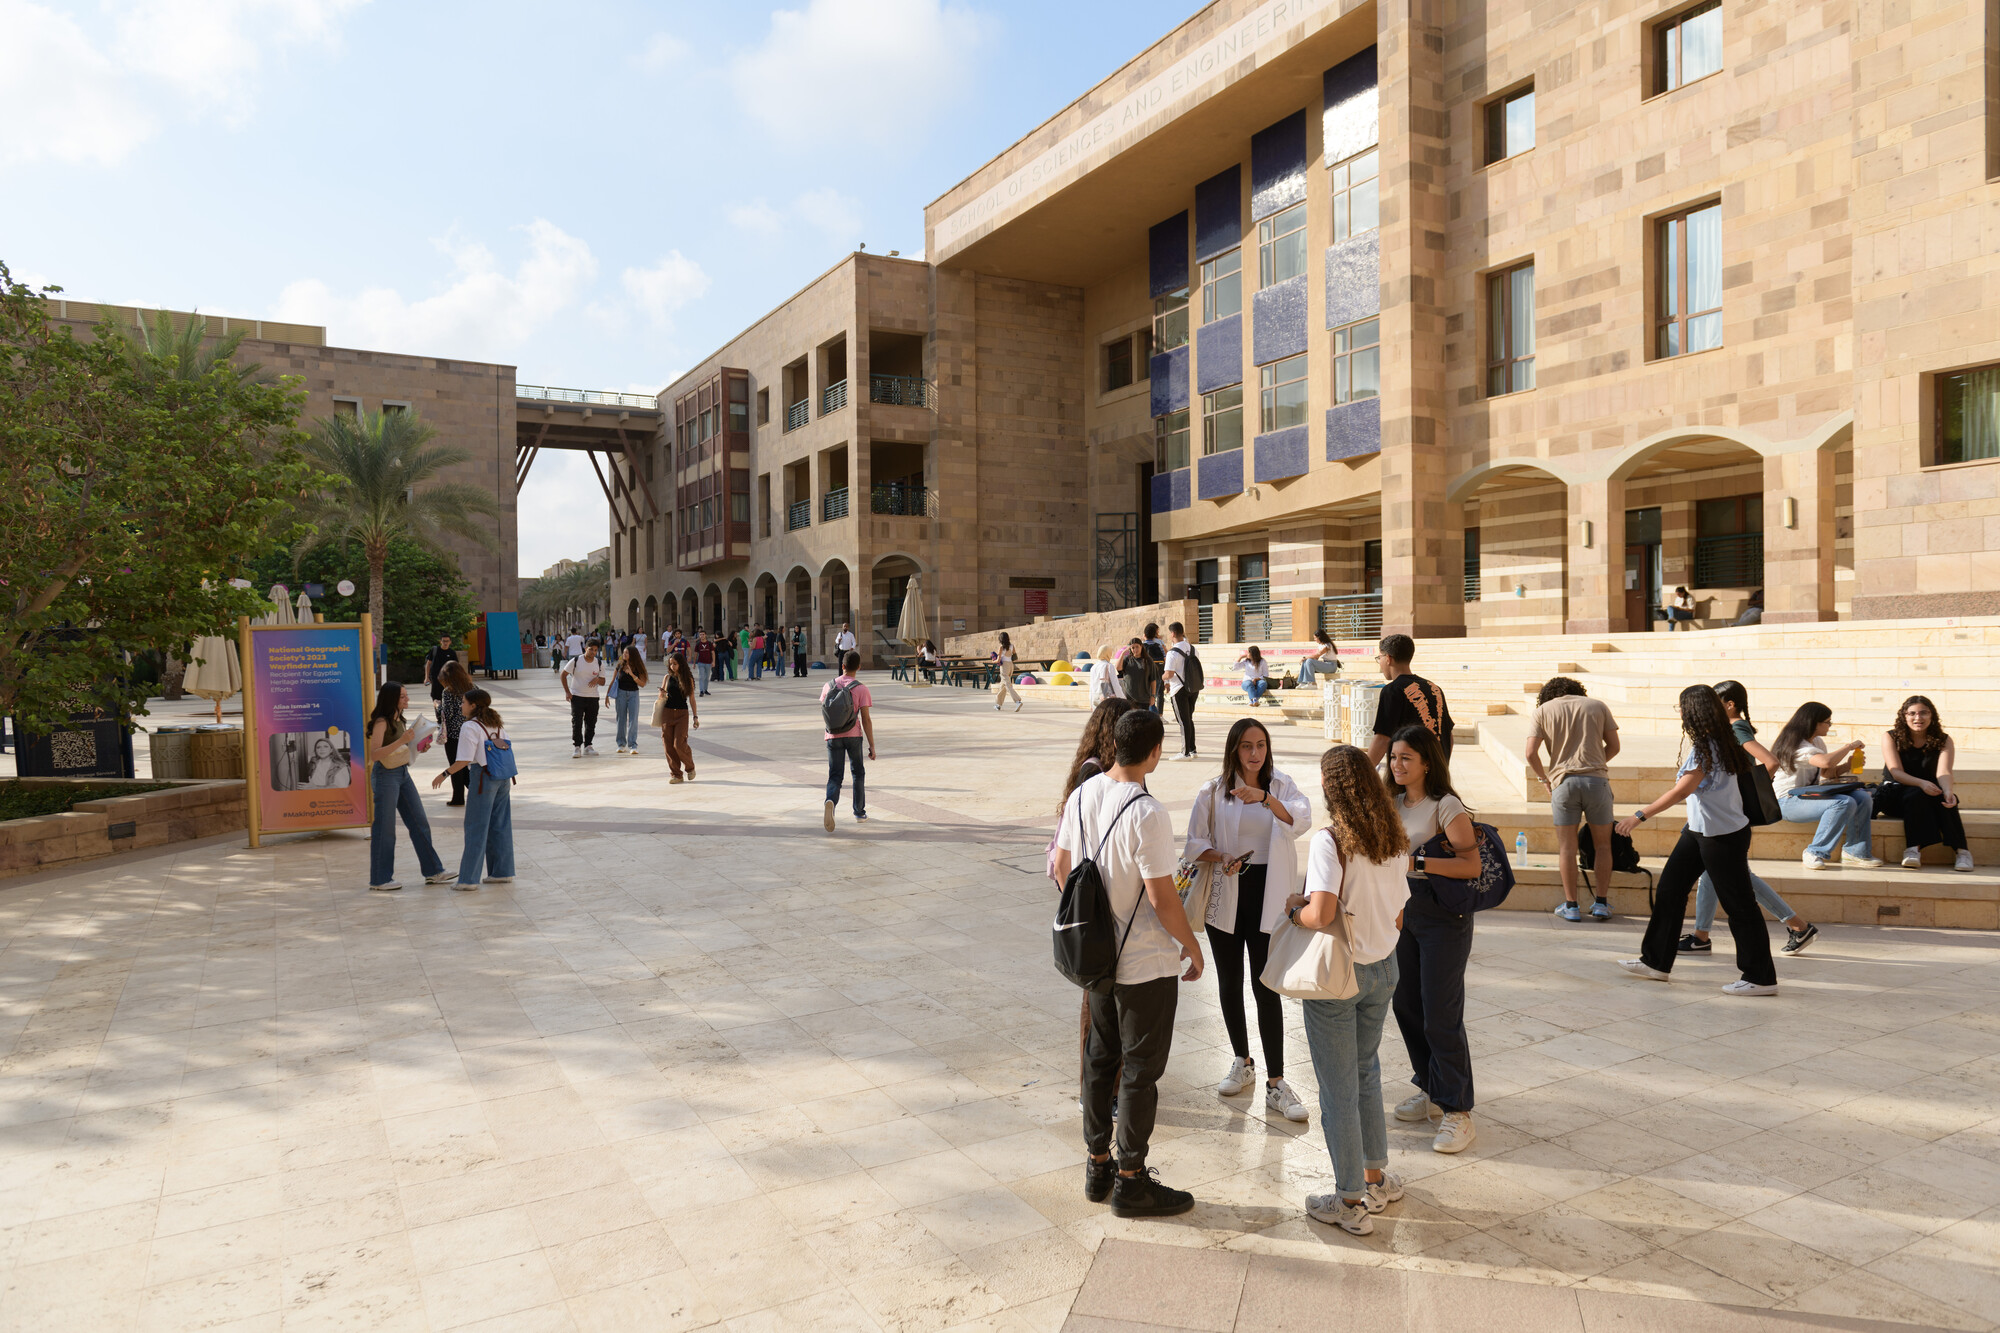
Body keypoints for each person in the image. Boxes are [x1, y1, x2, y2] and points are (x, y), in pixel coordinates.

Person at [1054, 709, 1205, 1219]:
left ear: (1114, 744)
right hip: (1144, 964)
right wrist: (1191, 944)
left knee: (1100, 1061)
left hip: (1096, 958)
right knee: (1140, 1073)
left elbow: (1061, 866)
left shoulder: (1082, 793)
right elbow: (1163, 899)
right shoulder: (1148, 811)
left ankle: (1097, 1165)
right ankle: (1131, 1180)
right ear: (1156, 752)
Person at [1284, 744, 1410, 1235]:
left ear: (1330, 787)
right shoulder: (1393, 839)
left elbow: (1320, 914)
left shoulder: (1332, 841)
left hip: (1340, 977)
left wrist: (1295, 911)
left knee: (1338, 1090)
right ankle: (1377, 1178)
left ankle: (1349, 1200)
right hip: (1383, 968)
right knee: (1367, 1073)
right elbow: (1399, 914)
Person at [1183, 718, 1312, 1123]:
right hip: (1227, 892)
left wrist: (1265, 799)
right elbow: (1193, 842)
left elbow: (1302, 820)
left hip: (1267, 897)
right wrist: (1220, 856)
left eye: (1260, 745)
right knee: (1228, 983)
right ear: (1233, 750)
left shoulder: (1282, 786)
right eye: (1245, 746)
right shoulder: (1213, 791)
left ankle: (1276, 1081)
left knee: (1265, 985)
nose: (1254, 753)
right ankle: (1242, 1060)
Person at [1615, 686, 1778, 996]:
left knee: (1740, 905)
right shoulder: (1723, 739)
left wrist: (1639, 816)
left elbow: (1681, 791)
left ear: (1693, 712)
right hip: (1701, 830)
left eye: (1681, 708)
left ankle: (1761, 977)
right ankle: (1655, 962)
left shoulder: (1709, 746)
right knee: (1670, 890)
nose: (1678, 713)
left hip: (1721, 835)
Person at [1385, 724, 1482, 1155]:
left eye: (1406, 757)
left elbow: (1470, 865)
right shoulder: (1390, 802)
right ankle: (1429, 1086)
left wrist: (1417, 860)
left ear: (1427, 762)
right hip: (1402, 909)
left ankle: (1458, 1109)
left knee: (1441, 1011)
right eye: (1393, 757)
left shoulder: (1446, 805)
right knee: (1406, 1004)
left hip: (1443, 913)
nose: (1397, 764)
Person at [1681, 681, 1821, 955]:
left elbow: (1770, 761)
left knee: (1737, 874)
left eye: (1715, 701)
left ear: (1730, 704)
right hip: (1723, 816)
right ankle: (1701, 935)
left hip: (1729, 815)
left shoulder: (1735, 727)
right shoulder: (1728, 729)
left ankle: (1798, 925)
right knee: (1712, 872)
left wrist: (1744, 797)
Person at [1056, 697, 1137, 1111]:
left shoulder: (1104, 772)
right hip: (1099, 914)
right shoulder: (1094, 774)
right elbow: (1064, 859)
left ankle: (1106, 1087)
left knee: (1105, 1005)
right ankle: (1099, 1091)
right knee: (1098, 1007)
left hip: (1110, 913)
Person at [1524, 677, 1620, 922]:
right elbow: (1615, 746)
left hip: (1563, 784)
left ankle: (1571, 905)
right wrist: (1595, 763)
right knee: (1603, 846)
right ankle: (1600, 903)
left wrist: (1544, 779)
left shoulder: (1542, 710)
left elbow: (1530, 753)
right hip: (1596, 781)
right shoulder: (1597, 705)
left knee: (1567, 847)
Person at [364, 683, 452, 892]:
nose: (407, 700)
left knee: (419, 822)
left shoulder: (400, 720)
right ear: (392, 699)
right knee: (385, 829)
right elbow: (374, 754)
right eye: (403, 697)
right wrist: (402, 740)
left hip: (402, 773)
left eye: (406, 696)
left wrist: (419, 746)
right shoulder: (382, 722)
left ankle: (433, 871)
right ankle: (380, 879)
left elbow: (403, 749)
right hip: (385, 776)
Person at [1771, 702, 1879, 869]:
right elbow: (1825, 761)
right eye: (1828, 722)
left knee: (1862, 797)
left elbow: (1826, 773)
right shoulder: (1796, 746)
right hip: (1787, 801)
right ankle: (1814, 852)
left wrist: (1847, 766)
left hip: (1808, 795)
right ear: (1814, 723)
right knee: (1844, 802)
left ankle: (1856, 852)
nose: (1830, 726)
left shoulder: (1817, 742)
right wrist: (1849, 746)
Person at [430, 687, 514, 891]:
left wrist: (444, 774)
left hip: (483, 778)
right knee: (500, 826)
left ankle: (468, 879)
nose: (461, 706)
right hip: (503, 777)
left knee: (475, 827)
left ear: (473, 705)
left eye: (464, 702)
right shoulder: (496, 723)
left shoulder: (470, 726)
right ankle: (501, 872)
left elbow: (464, 760)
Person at [1877, 694, 1971, 871]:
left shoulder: (1944, 740)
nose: (1917, 718)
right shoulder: (1890, 737)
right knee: (1916, 795)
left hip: (1928, 793)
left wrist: (1948, 791)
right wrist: (1921, 783)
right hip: (1895, 795)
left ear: (1932, 716)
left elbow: (1943, 772)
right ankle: (1913, 849)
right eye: (1912, 713)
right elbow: (1896, 772)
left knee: (1948, 800)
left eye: (1923, 713)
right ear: (1904, 716)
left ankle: (1962, 852)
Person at [1368, 635, 1454, 763]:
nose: (1379, 663)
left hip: (1413, 775)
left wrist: (1363, 772)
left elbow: (1382, 739)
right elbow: (1448, 735)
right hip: (1437, 773)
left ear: (1388, 659)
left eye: (1379, 658)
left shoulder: (1392, 690)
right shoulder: (1434, 688)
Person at [821, 650, 875, 830]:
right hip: (853, 736)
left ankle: (830, 800)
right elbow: (866, 719)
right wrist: (872, 745)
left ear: (842, 666)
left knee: (835, 775)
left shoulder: (828, 686)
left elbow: (825, 710)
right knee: (857, 772)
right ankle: (859, 812)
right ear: (859, 667)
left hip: (832, 736)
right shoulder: (861, 688)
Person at [437, 660, 475, 807]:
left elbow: (447, 714)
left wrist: (437, 706)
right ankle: (476, 792)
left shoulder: (448, 691)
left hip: (453, 735)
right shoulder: (473, 687)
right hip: (470, 733)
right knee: (465, 765)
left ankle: (458, 797)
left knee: (455, 765)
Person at [561, 640, 608, 757]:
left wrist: (597, 679)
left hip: (593, 697)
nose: (593, 652)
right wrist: (567, 692)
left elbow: (603, 681)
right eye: (591, 649)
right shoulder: (576, 661)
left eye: (596, 650)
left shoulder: (599, 663)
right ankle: (577, 747)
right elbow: (563, 675)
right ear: (585, 648)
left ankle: (588, 746)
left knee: (591, 722)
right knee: (577, 722)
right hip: (577, 696)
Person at [657, 653, 698, 782]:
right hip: (667, 713)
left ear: (681, 664)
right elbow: (660, 697)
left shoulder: (688, 679)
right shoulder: (667, 678)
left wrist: (695, 717)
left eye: (675, 664)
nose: (672, 666)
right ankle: (676, 774)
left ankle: (690, 767)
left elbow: (692, 699)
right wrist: (662, 694)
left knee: (679, 744)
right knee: (668, 745)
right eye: (670, 664)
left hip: (682, 714)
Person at [1163, 622, 1200, 761]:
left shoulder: (1172, 653)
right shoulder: (1192, 648)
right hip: (1193, 687)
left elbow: (1169, 674)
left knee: (1183, 721)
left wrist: (1162, 677)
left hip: (1178, 689)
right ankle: (1192, 749)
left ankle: (1185, 753)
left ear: (1172, 633)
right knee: (1188, 719)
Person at [612, 643, 648, 755]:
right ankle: (621, 744)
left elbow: (642, 684)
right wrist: (608, 696)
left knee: (633, 720)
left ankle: (633, 745)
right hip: (621, 694)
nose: (624, 654)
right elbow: (613, 681)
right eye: (624, 652)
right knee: (621, 719)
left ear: (632, 654)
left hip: (633, 694)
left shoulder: (638, 667)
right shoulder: (619, 666)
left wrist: (632, 674)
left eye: (626, 652)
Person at [423, 634, 457, 704]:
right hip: (435, 677)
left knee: (446, 696)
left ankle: (444, 711)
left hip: (447, 679)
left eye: (447, 641)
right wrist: (426, 677)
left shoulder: (452, 653)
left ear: (450, 642)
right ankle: (438, 711)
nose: (445, 643)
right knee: (435, 696)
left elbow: (455, 667)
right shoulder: (435, 650)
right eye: (443, 641)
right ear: (440, 642)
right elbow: (428, 664)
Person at [1142, 622, 1167, 715]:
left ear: (1144, 635)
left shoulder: (1141, 647)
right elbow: (1165, 659)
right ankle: (1159, 715)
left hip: (1145, 675)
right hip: (1158, 674)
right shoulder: (1159, 645)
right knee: (1158, 694)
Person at [994, 632, 1022, 712]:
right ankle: (998, 704)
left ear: (1001, 639)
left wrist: (993, 661)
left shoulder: (1001, 648)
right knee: (1003, 685)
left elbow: (998, 660)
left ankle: (1017, 701)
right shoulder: (1012, 646)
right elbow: (1015, 657)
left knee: (1008, 685)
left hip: (1004, 666)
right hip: (1011, 666)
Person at [1118, 637, 1150, 706]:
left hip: (1144, 698)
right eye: (1133, 648)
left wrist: (1152, 696)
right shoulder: (1127, 660)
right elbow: (1118, 668)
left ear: (1141, 647)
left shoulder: (1147, 660)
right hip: (1129, 698)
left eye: (1137, 647)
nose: (1135, 650)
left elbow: (1153, 679)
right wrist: (1123, 653)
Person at [693, 632, 714, 696]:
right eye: (700, 635)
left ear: (705, 635)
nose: (702, 636)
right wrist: (694, 663)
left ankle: (705, 690)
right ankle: (701, 690)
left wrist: (713, 662)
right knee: (701, 677)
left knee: (706, 677)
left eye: (703, 634)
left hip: (708, 663)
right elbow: (696, 654)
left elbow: (713, 653)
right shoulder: (698, 644)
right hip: (700, 663)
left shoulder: (709, 644)